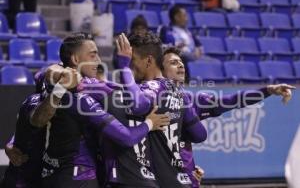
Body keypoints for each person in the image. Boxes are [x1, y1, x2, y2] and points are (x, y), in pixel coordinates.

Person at [28, 32, 170, 188]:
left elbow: (41, 78)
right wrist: (150, 123)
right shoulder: (81, 99)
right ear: (76, 59)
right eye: (93, 55)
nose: (99, 61)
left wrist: (56, 71)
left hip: (51, 172)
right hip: (78, 176)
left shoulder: (52, 84)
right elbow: (126, 136)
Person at [160, 46, 295, 187]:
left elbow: (232, 100)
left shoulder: (193, 100)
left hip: (187, 181)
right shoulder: (149, 99)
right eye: (173, 62)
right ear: (160, 70)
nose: (181, 64)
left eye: (181, 62)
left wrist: (268, 90)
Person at [116, 31, 208, 188]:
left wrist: (123, 67)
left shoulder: (151, 87)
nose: (132, 67)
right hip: (182, 179)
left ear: (149, 61)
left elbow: (139, 105)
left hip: (162, 180)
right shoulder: (178, 92)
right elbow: (199, 134)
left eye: (133, 61)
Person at [1, 66, 80, 188]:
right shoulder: (35, 101)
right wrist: (11, 144)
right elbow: (33, 124)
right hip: (25, 176)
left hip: (48, 174)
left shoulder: (73, 102)